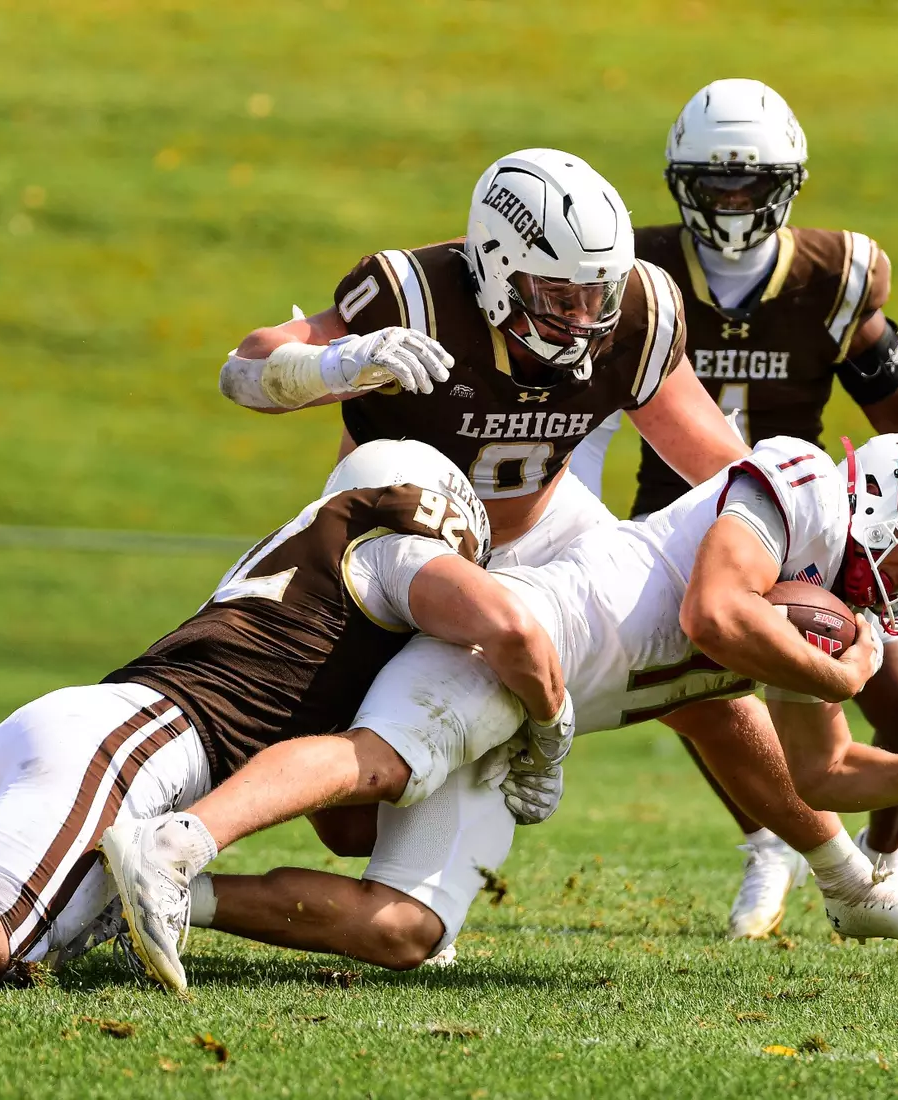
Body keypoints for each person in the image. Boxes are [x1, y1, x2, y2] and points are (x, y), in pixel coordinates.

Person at [209, 145, 854, 961]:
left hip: (551, 536)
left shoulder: (639, 313)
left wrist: (798, 543)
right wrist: (336, 364)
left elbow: (720, 464)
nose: (586, 316)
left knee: (703, 674)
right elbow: (243, 370)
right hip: (404, 559)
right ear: (497, 267)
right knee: (345, 823)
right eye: (561, 294)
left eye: (599, 294)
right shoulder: (417, 295)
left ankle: (846, 871)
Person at [108, 433, 898, 989]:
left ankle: (160, 904)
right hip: (522, 636)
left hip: (538, 715)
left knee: (404, 932)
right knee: (382, 761)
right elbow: (713, 614)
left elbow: (820, 774)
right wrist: (837, 677)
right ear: (884, 494)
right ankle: (178, 842)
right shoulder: (800, 479)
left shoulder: (822, 622)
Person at [0, 441, 564, 986]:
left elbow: (340, 827)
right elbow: (510, 623)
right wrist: (548, 721)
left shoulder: (299, 560)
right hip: (137, 749)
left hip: (92, 727)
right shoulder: (392, 549)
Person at [567, 79, 898, 939]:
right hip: (687, 518)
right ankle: (771, 838)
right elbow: (590, 405)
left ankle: (877, 866)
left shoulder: (835, 281)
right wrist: (573, 513)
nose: (730, 203)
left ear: (787, 184)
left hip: (829, 531)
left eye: (750, 184)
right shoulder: (639, 277)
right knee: (702, 680)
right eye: (714, 183)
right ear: (679, 182)